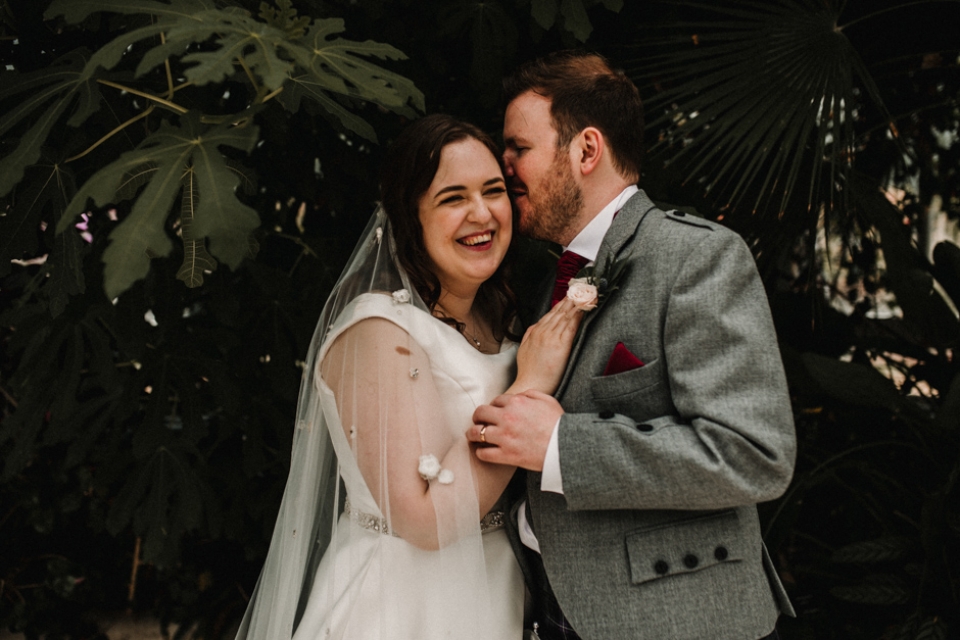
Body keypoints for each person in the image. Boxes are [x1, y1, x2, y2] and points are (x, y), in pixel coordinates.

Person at [466, 51, 798, 640]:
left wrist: (563, 446)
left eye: (519, 147)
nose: (504, 164)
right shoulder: (552, 278)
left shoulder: (696, 257)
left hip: (679, 622)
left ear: (586, 150)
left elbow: (753, 453)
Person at [234, 114, 583, 640]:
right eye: (452, 198)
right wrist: (529, 385)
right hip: (398, 604)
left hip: (496, 592)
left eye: (493, 191)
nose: (482, 213)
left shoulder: (498, 318)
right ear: (410, 216)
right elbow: (422, 517)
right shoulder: (376, 332)